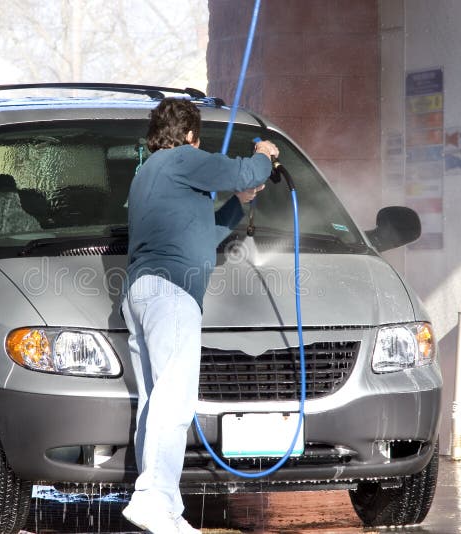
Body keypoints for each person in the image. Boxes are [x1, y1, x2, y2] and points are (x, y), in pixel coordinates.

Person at [121, 97, 279, 534]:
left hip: (142, 293)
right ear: (190, 135)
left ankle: (167, 509)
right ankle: (152, 498)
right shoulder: (181, 159)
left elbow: (204, 235)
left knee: (157, 402)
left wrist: (238, 203)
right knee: (174, 402)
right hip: (171, 295)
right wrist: (263, 157)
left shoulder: (147, 174)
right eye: (197, 138)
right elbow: (244, 171)